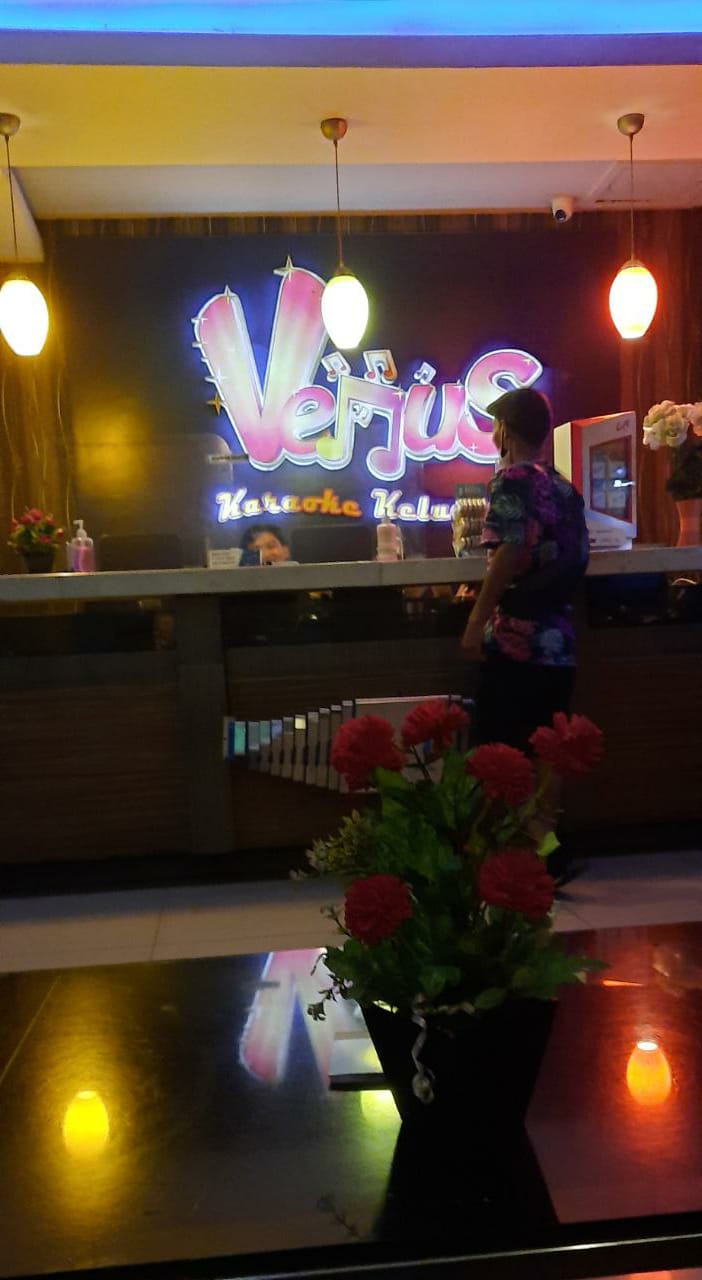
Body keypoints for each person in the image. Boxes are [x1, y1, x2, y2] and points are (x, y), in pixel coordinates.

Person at [461, 387, 589, 753]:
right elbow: (580, 554)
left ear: (504, 430)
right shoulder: (563, 486)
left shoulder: (512, 480)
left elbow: (509, 551)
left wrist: (475, 623)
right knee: (550, 753)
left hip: (514, 645)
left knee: (497, 756)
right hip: (559, 645)